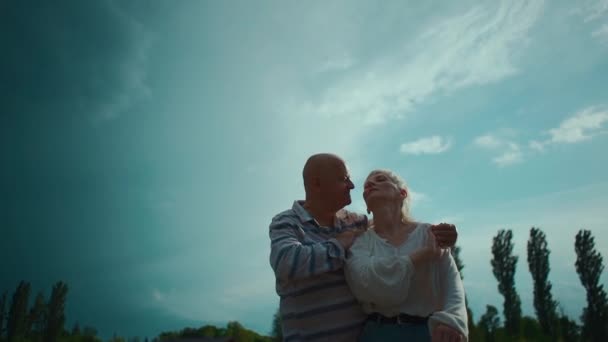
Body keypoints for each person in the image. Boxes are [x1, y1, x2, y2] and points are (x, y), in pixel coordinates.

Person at [269, 154, 459, 341]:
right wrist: (339, 244)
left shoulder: (356, 224)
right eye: (344, 179)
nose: (352, 185)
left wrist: (446, 235)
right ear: (317, 184)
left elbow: (388, 227)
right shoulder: (287, 222)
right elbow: (287, 262)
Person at [345, 169, 468, 341]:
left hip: (426, 334)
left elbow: (451, 284)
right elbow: (365, 282)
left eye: (380, 179)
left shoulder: (428, 234)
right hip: (377, 334)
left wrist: (453, 321)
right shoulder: (361, 243)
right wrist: (418, 257)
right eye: (366, 186)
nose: (370, 185)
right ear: (367, 205)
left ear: (402, 193)